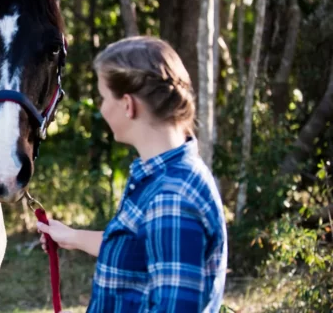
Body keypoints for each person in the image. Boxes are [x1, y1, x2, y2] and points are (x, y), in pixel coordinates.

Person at [37, 36, 227, 312]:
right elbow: (144, 250)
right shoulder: (164, 175)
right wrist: (73, 237)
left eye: (103, 98)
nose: (101, 109)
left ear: (128, 105)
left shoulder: (171, 199)